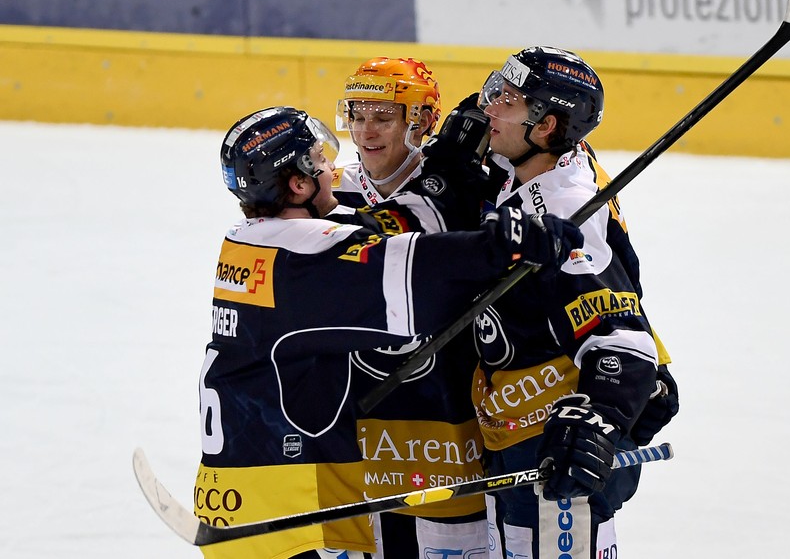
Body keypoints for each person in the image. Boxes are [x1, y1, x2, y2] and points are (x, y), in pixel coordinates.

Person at [194, 105, 584, 559]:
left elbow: (370, 233)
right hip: (289, 503)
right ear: (297, 185)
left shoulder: (251, 243)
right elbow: (416, 273)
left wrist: (440, 176)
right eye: (319, 163)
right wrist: (506, 243)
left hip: (242, 489)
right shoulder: (304, 258)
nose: (332, 169)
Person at [470, 46, 679, 559]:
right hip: (514, 423)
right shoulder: (536, 164)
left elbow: (620, 330)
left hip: (551, 438)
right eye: (495, 90)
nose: (488, 108)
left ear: (545, 127)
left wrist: (597, 417)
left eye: (507, 101)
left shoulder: (564, 210)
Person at [331, 57, 491, 557]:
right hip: (364, 426)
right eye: (357, 115)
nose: (365, 130)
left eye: (382, 115)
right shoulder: (329, 190)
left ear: (419, 120)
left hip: (449, 426)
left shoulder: (470, 189)